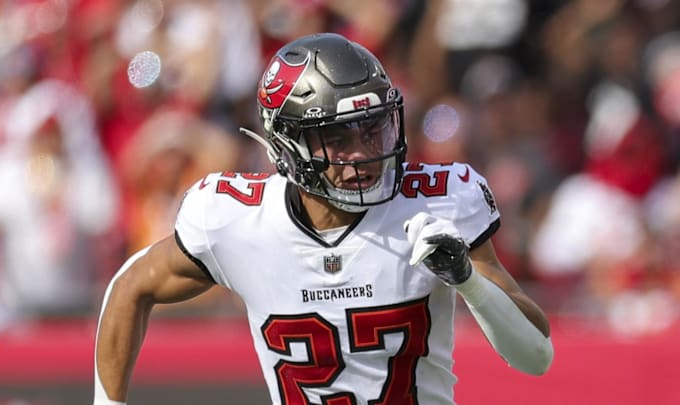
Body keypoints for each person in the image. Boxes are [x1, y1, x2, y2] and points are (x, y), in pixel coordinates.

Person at [94, 33, 553, 405]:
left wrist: (467, 279)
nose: (364, 153)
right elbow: (130, 286)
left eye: (374, 129)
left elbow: (536, 356)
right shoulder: (234, 220)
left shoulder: (437, 204)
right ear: (286, 147)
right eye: (337, 138)